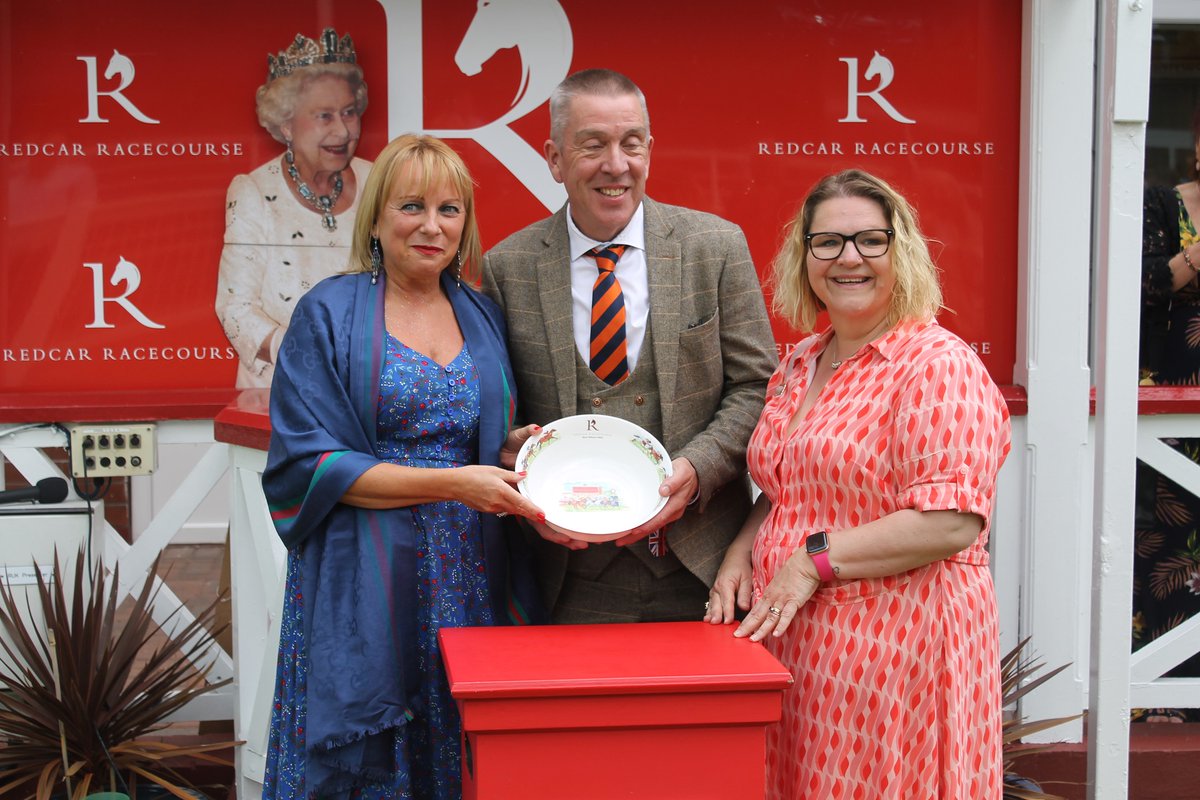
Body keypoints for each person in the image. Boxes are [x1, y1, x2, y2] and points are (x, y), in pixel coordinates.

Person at [705, 169, 1012, 797]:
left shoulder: (936, 365)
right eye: (829, 243)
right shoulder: (799, 362)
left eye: (871, 240)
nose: (849, 258)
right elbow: (791, 486)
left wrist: (811, 561)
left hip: (898, 656)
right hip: (803, 654)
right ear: (805, 256)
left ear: (903, 251)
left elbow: (951, 520)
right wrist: (742, 549)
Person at [261, 134, 545, 799]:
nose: (431, 226)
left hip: (470, 573)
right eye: (411, 206)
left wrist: (508, 451)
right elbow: (312, 465)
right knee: (375, 757)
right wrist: (456, 483)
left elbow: (472, 435)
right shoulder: (326, 314)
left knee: (462, 745)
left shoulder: (480, 312)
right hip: (364, 572)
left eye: (450, 210)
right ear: (377, 217)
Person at [481, 68, 777, 624]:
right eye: (592, 145)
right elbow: (498, 409)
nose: (615, 165)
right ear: (553, 158)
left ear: (649, 150)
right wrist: (516, 458)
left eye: (630, 144)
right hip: (567, 580)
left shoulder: (714, 246)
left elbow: (759, 385)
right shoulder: (507, 266)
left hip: (705, 569)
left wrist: (699, 468)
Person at [216, 28, 372, 388]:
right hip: (281, 392)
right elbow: (235, 308)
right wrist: (307, 357)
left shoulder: (378, 182)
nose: (343, 130)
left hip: (367, 391)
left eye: (349, 113)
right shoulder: (253, 191)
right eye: (324, 116)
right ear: (286, 124)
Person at [1134, 104, 1200, 721]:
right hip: (1170, 399)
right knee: (1170, 536)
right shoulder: (1162, 206)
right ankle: (1161, 689)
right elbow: (1142, 286)